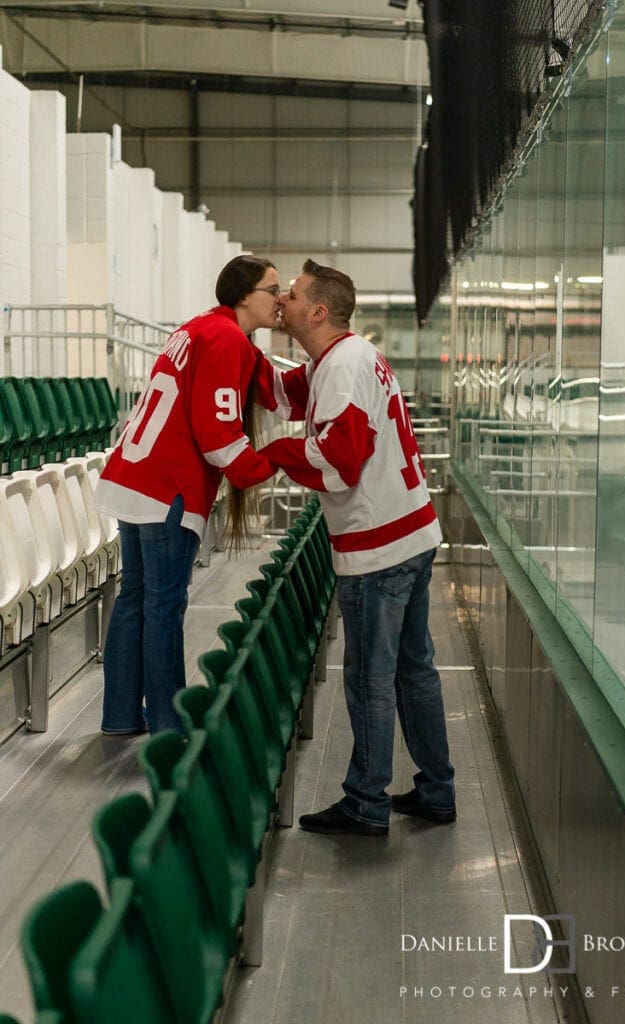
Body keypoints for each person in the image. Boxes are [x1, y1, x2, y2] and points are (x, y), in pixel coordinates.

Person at [256, 259, 456, 836]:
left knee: (371, 677)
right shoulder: (346, 357)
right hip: (412, 532)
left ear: (317, 311)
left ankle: (366, 802)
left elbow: (340, 464)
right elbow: (283, 393)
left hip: (380, 548)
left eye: (289, 295)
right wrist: (236, 338)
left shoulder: (341, 367)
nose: (281, 301)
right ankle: (436, 790)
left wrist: (272, 457)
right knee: (414, 670)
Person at [94, 254, 279, 735]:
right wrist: (262, 467)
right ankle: (169, 726)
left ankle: (119, 715)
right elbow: (217, 432)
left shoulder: (198, 328)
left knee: (136, 597)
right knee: (161, 604)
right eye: (272, 291)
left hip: (135, 477)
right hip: (166, 487)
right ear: (244, 295)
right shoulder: (225, 338)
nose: (280, 300)